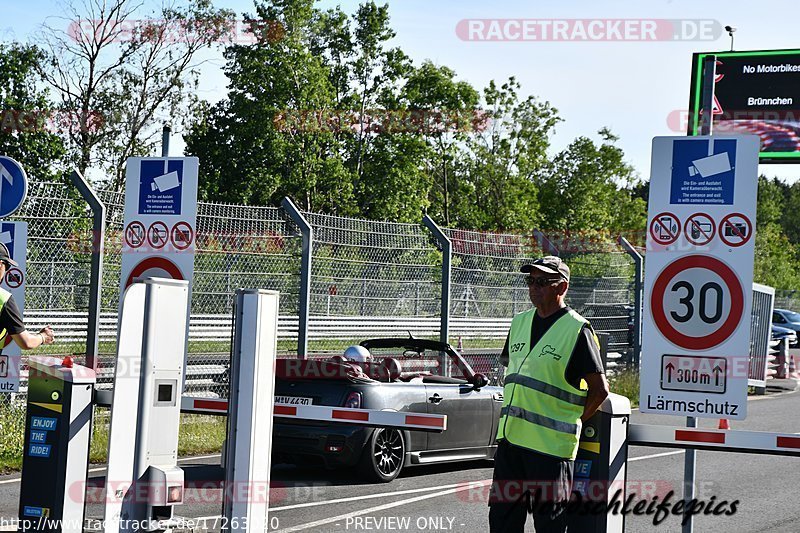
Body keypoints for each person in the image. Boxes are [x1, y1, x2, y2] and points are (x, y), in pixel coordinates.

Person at [489, 255, 609, 533]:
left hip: (550, 451)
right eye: (530, 281)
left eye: (542, 281)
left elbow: (600, 389)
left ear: (561, 288)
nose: (534, 287)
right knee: (502, 521)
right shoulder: (519, 322)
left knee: (549, 525)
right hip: (510, 443)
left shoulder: (577, 329)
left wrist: (572, 420)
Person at [0, 243, 55, 350]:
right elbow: (26, 342)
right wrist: (43, 337)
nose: (6, 270)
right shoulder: (3, 298)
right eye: (6, 265)